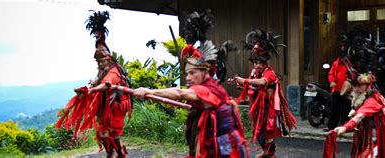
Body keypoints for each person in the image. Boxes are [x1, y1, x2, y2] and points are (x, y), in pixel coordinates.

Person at [133, 40, 248, 158]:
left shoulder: (207, 89)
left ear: (206, 72)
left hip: (224, 146)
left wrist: (149, 91)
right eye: (187, 73)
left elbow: (180, 93)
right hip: (219, 141)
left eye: (192, 73)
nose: (188, 78)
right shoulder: (211, 86)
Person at [56, 11, 132, 158]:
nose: (100, 64)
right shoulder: (104, 68)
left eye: (101, 61)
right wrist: (89, 87)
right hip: (107, 103)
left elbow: (106, 84)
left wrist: (91, 91)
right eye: (97, 62)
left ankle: (117, 154)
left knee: (111, 134)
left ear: (109, 60)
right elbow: (99, 79)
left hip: (117, 104)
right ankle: (114, 153)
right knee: (103, 133)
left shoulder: (113, 72)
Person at [230, 30, 297, 157]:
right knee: (259, 133)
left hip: (268, 109)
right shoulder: (254, 73)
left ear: (265, 63)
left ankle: (271, 154)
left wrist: (244, 80)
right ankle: (266, 152)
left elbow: (261, 83)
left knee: (268, 134)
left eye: (260, 63)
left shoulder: (269, 73)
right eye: (255, 63)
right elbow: (251, 87)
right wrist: (239, 84)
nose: (257, 65)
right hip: (257, 108)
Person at [332, 73, 385, 158]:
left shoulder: (372, 100)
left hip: (382, 134)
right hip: (372, 132)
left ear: (368, 86)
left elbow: (360, 116)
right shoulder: (364, 96)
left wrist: (345, 127)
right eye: (354, 86)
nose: (355, 90)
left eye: (359, 86)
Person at [325, 37, 351, 131]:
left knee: (346, 109)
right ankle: (331, 126)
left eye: (344, 47)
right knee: (334, 108)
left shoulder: (350, 63)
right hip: (336, 89)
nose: (342, 48)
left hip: (347, 90)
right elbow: (331, 73)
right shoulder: (336, 62)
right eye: (341, 47)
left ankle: (346, 126)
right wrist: (332, 81)